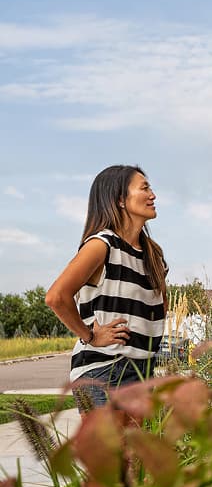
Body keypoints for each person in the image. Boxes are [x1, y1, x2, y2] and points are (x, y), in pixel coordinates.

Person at [46, 165, 167, 412]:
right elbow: (56, 296)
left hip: (142, 372)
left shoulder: (153, 254)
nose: (153, 195)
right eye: (144, 188)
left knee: (135, 452)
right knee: (111, 451)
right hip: (104, 371)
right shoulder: (102, 245)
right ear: (120, 200)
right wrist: (89, 335)